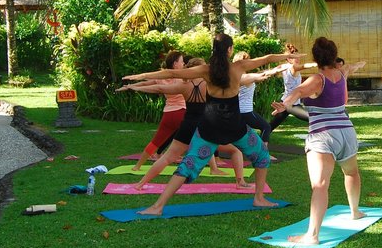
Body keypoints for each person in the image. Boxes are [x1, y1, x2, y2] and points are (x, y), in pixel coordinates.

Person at [124, 36, 295, 214]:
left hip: (210, 127)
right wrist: (288, 56)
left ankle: (157, 206)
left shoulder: (206, 70)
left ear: (214, 49)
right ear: (230, 50)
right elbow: (267, 59)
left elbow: (172, 74)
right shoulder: (238, 67)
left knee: (188, 165)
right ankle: (259, 198)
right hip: (235, 126)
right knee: (262, 156)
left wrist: (141, 76)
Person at [272, 37, 366, 244]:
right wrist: (359, 64)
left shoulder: (317, 79)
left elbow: (298, 91)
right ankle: (355, 211)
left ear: (316, 58)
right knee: (351, 172)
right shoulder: (341, 73)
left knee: (320, 185)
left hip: (324, 135)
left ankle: (312, 235)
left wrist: (284, 104)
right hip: (346, 131)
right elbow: (351, 68)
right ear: (334, 55)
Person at [119, 58, 250, 191]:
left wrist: (133, 87)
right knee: (235, 151)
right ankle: (240, 182)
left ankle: (140, 184)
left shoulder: (184, 85)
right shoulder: (210, 85)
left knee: (167, 158)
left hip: (187, 126)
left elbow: (159, 88)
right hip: (205, 128)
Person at [119, 50, 187, 171]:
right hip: (181, 113)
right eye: (182, 62)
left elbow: (146, 84)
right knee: (200, 139)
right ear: (175, 64)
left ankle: (137, 166)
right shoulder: (183, 76)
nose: (184, 64)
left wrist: (130, 87)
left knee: (155, 142)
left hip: (168, 114)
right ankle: (213, 167)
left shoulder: (162, 79)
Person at [232, 51, 284, 145]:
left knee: (241, 135)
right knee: (266, 127)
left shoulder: (236, 76)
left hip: (237, 111)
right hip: (246, 112)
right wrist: (276, 69)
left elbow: (260, 73)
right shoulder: (246, 77)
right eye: (248, 61)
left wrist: (276, 69)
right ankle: (263, 151)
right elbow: (263, 75)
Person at [269, 43, 311, 133]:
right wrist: (315, 64)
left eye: (298, 56)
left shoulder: (283, 66)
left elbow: (271, 71)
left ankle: (260, 137)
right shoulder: (293, 67)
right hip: (292, 104)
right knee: (312, 119)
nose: (298, 59)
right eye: (295, 57)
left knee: (270, 126)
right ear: (288, 58)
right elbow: (303, 66)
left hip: (285, 102)